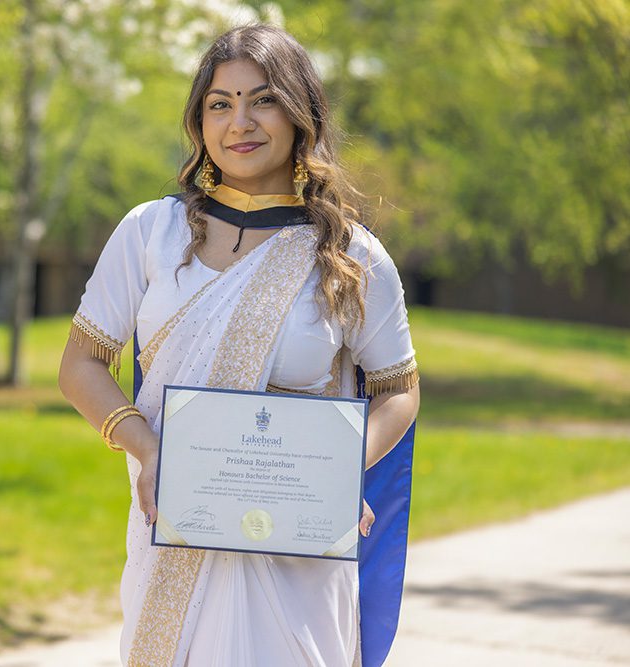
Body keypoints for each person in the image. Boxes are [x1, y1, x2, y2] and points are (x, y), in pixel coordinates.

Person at [58, 24, 420, 667]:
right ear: (200, 121)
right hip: (175, 529)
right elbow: (81, 364)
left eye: (263, 100)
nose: (240, 122)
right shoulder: (151, 232)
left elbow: (399, 389)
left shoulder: (348, 255)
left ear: (300, 112)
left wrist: (340, 470)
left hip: (297, 556)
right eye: (220, 103)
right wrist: (147, 450)